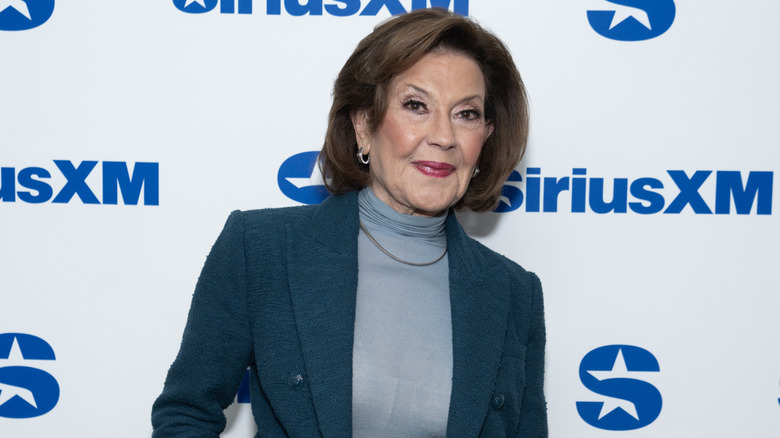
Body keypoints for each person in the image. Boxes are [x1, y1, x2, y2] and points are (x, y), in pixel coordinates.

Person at [152, 7, 546, 437]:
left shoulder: (513, 293)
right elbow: (186, 414)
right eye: (416, 105)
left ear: (485, 138)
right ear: (363, 125)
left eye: (466, 114)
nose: (444, 136)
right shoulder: (262, 249)